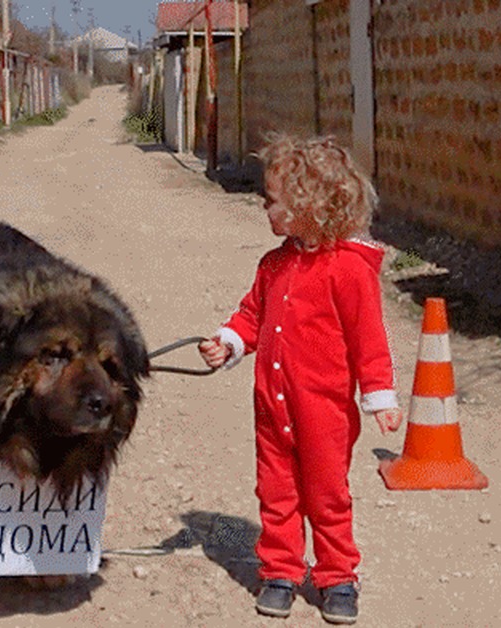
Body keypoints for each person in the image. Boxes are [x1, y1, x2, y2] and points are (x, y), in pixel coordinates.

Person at [198, 134, 404, 625]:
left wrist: (380, 397)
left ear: (308, 205)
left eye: (273, 201)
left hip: (324, 412)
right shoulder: (273, 264)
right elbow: (252, 314)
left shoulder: (349, 271)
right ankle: (281, 572)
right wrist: (229, 342)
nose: (265, 208)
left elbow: (368, 339)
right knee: (276, 492)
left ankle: (337, 578)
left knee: (326, 496)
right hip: (271, 406)